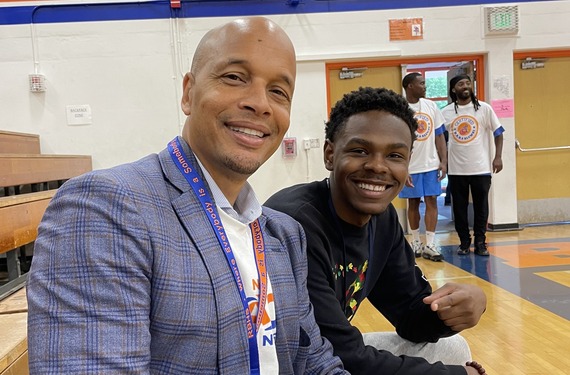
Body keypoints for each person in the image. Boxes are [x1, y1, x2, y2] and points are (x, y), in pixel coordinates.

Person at [26, 17, 347, 374]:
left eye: (279, 92)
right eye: (234, 77)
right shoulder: (105, 208)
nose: (260, 104)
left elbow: (314, 361)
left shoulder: (285, 235)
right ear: (188, 93)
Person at [265, 87, 488, 375]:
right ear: (330, 154)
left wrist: (456, 310)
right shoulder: (293, 224)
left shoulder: (381, 220)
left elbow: (410, 316)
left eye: (395, 155)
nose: (377, 167)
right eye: (360, 151)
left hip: (331, 353)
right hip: (285, 363)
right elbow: (335, 355)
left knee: (452, 348)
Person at [441, 74, 504, 256]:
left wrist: (498, 157)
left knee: (481, 207)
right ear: (454, 89)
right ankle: (463, 242)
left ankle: (480, 242)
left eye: (468, 83)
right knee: (459, 209)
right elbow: (438, 138)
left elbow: (498, 133)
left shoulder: (484, 109)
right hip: (456, 169)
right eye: (461, 84)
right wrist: (442, 161)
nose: (465, 86)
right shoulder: (446, 112)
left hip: (481, 168)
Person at [399, 72, 448, 261]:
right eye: (421, 83)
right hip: (411, 166)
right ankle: (415, 242)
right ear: (410, 86)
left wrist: (443, 162)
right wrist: (403, 167)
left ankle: (430, 243)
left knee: (432, 202)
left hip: (431, 164)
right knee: (412, 203)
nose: (425, 86)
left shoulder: (431, 106)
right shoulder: (401, 108)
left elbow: (439, 135)